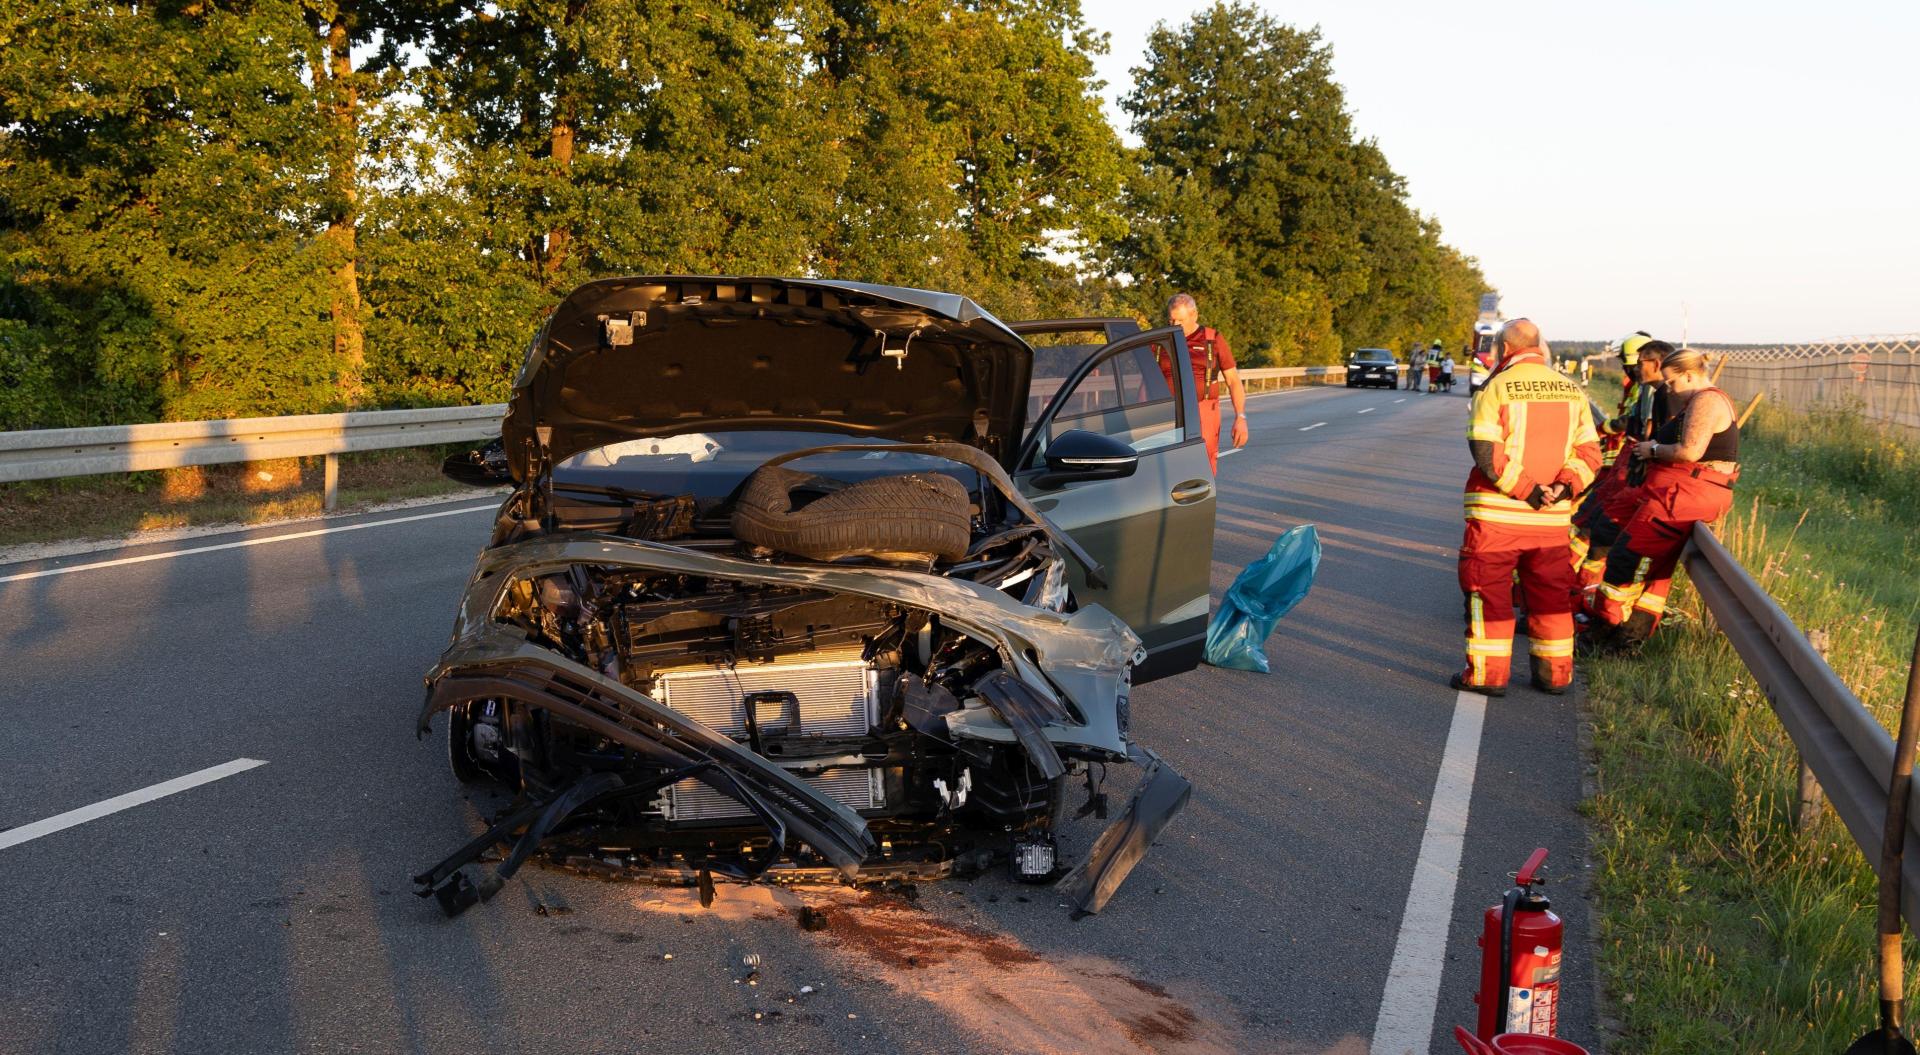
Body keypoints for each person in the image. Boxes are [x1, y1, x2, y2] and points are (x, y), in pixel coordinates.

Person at [1453, 318, 1602, 696]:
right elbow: (1590, 455)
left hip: (1498, 518)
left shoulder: (1497, 388)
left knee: (1490, 594)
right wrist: (1561, 488)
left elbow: (1486, 450)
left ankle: (1487, 677)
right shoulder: (1571, 391)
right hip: (1551, 522)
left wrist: (1528, 490)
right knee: (1551, 597)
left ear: (1504, 348)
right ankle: (1554, 677)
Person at [1581, 347, 1739, 653]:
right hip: (1677, 492)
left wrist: (1652, 450)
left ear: (1690, 375)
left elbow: (1690, 451)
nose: (1668, 388)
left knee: (1628, 560)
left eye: (1672, 382)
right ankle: (1624, 640)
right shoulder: (1696, 400)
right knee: (1652, 572)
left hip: (1685, 495)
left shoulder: (1706, 400)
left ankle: (1607, 632)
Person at [1156, 293, 1248, 475]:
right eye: (1171, 320)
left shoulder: (1212, 339)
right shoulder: (1160, 341)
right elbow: (1145, 380)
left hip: (1203, 410)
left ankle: (1201, 502)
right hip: (1167, 412)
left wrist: (1240, 417)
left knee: (1202, 464)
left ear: (1194, 315)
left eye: (1180, 321)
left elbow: (1233, 381)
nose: (1174, 326)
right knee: (1166, 467)